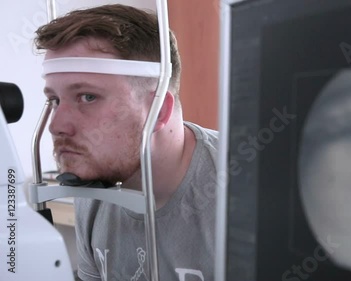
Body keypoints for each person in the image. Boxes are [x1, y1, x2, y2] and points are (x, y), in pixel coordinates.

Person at [34, 4, 218, 281]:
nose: (56, 126)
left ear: (159, 112)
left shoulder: (243, 191)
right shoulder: (95, 189)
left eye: (88, 97)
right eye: (55, 100)